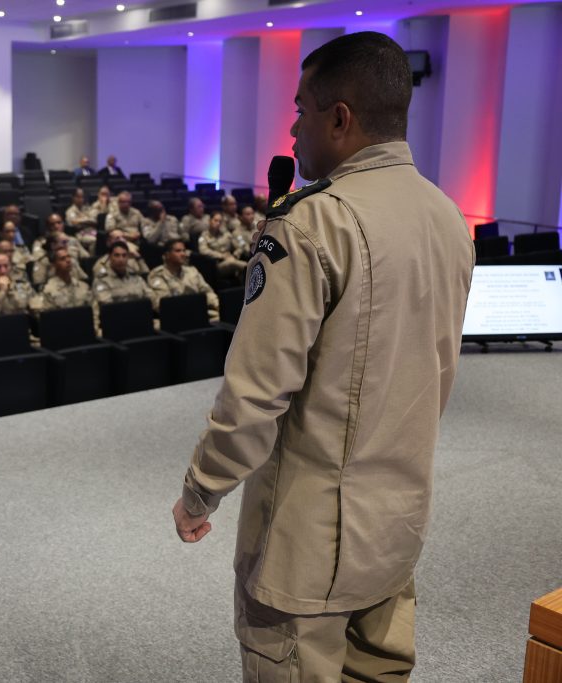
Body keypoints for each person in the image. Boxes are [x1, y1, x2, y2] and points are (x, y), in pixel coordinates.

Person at [171, 32, 475, 682]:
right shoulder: (449, 216)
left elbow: (255, 394)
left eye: (300, 109)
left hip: (307, 545)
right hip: (396, 525)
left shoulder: (310, 225)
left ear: (340, 118)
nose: (292, 127)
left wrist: (200, 490)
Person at [146, 239, 219, 321]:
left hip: (199, 312)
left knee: (225, 317)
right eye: (178, 251)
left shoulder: (192, 271)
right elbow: (163, 305)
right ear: (167, 255)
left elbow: (207, 291)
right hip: (175, 317)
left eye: (184, 251)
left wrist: (217, 304)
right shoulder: (158, 275)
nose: (183, 254)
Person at [198, 211, 249, 282]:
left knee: (237, 269)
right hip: (217, 264)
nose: (218, 223)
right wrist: (221, 256)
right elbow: (203, 251)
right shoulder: (204, 236)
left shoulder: (226, 234)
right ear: (209, 221)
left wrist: (235, 254)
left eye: (220, 221)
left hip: (232, 259)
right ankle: (250, 267)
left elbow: (239, 246)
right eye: (215, 220)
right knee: (232, 263)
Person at [41, 247, 91, 311]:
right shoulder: (49, 290)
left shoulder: (83, 286)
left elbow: (93, 310)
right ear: (54, 264)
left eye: (68, 257)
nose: (68, 260)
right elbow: (50, 315)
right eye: (62, 259)